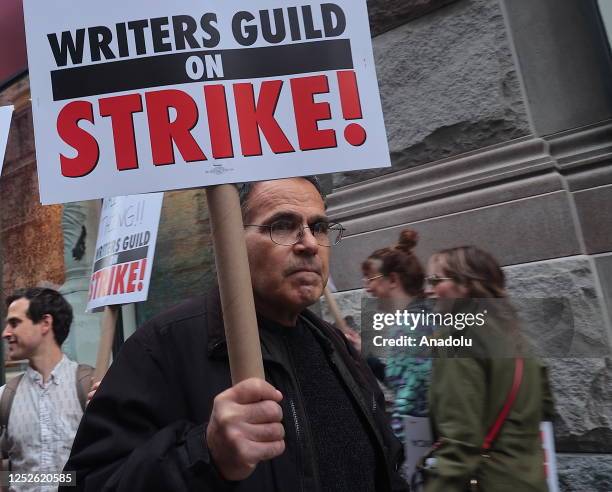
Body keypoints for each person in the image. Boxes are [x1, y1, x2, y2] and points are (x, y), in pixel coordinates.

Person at [62, 177, 408, 492]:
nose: (309, 244)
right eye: (283, 225)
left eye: (318, 227)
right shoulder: (162, 347)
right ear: (228, 239)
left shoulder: (336, 347)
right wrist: (203, 454)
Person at [422, 246, 554, 492]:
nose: (428, 290)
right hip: (531, 480)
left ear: (466, 285)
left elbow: (460, 441)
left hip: (488, 481)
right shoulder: (517, 337)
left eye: (436, 280)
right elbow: (545, 408)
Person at [0, 288, 93, 491]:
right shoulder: (6, 397)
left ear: (45, 323)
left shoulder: (90, 387)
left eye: (15, 323)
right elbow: (4, 475)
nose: (5, 333)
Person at [360, 230, 432, 444]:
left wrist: (397, 463)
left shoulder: (410, 327)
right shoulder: (422, 317)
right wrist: (368, 359)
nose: (367, 287)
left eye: (371, 278)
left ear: (392, 279)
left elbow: (409, 408)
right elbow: (406, 384)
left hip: (419, 445)